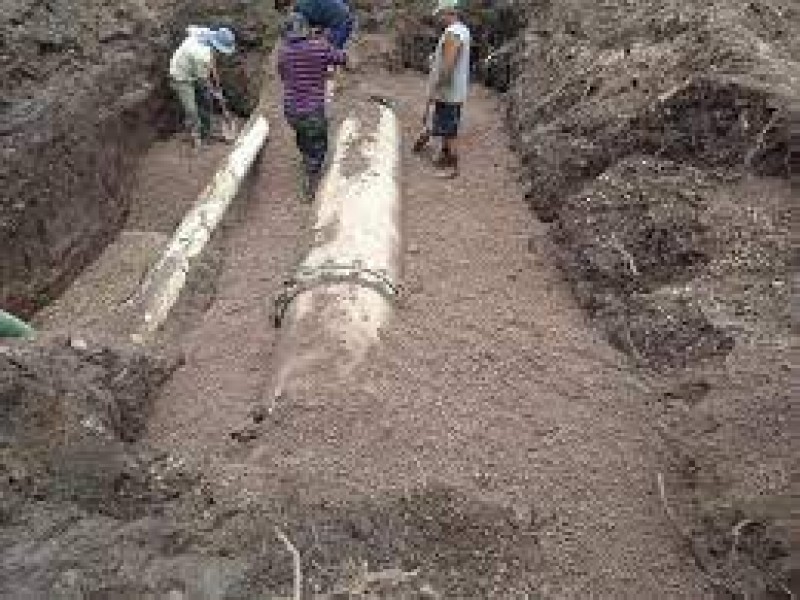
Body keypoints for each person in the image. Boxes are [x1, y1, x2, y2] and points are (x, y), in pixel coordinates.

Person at [277, 13, 347, 198]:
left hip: (291, 110)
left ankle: (306, 157)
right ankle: (311, 180)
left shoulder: (284, 52)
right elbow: (342, 58)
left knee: (302, 133)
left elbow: (284, 76)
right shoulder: (320, 47)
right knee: (318, 143)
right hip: (312, 110)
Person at [169, 27, 236, 147]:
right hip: (181, 76)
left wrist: (211, 66)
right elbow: (203, 81)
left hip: (194, 68)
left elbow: (190, 28)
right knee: (192, 109)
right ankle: (196, 137)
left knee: (206, 101)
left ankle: (207, 132)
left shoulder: (206, 34)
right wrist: (216, 94)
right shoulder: (200, 54)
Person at [426, 0, 471, 178]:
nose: (439, 19)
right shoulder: (463, 30)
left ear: (449, 12)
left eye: (441, 15)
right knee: (447, 125)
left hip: (449, 90)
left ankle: (453, 166)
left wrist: (438, 85)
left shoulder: (453, 33)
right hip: (455, 89)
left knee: (449, 128)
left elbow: (449, 63)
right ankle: (445, 157)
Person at [274, 0, 354, 50]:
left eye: (283, 11)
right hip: (344, 16)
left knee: (331, 53)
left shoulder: (299, 9)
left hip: (340, 22)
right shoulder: (303, 5)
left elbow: (303, 35)